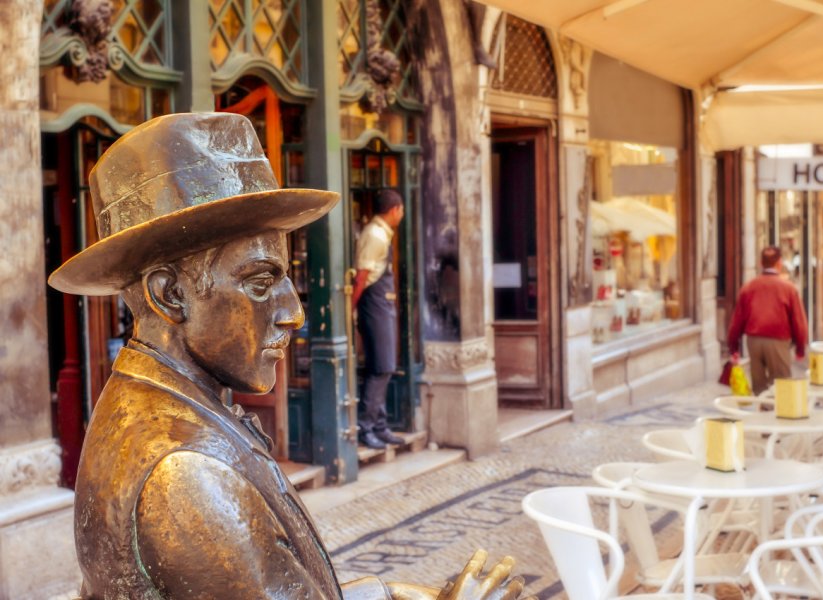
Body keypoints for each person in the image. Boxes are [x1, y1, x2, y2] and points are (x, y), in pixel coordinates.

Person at [48, 113, 529, 600]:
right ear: (171, 295)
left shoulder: (160, 402)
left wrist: (394, 593)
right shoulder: (188, 478)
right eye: (260, 282)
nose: (294, 313)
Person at [352, 189, 406, 449]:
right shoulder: (375, 235)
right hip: (374, 303)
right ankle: (367, 426)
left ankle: (380, 424)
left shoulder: (381, 233)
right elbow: (362, 276)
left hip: (381, 303)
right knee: (381, 366)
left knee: (383, 365)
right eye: (402, 210)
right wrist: (351, 305)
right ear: (395, 209)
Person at [727, 246, 809, 395]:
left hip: (754, 341)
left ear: (760, 263)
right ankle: (777, 413)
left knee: (759, 387)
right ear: (779, 263)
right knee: (782, 385)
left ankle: (764, 411)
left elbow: (737, 320)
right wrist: (800, 348)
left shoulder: (748, 287)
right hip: (778, 340)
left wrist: (733, 348)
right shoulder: (788, 289)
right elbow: (799, 321)